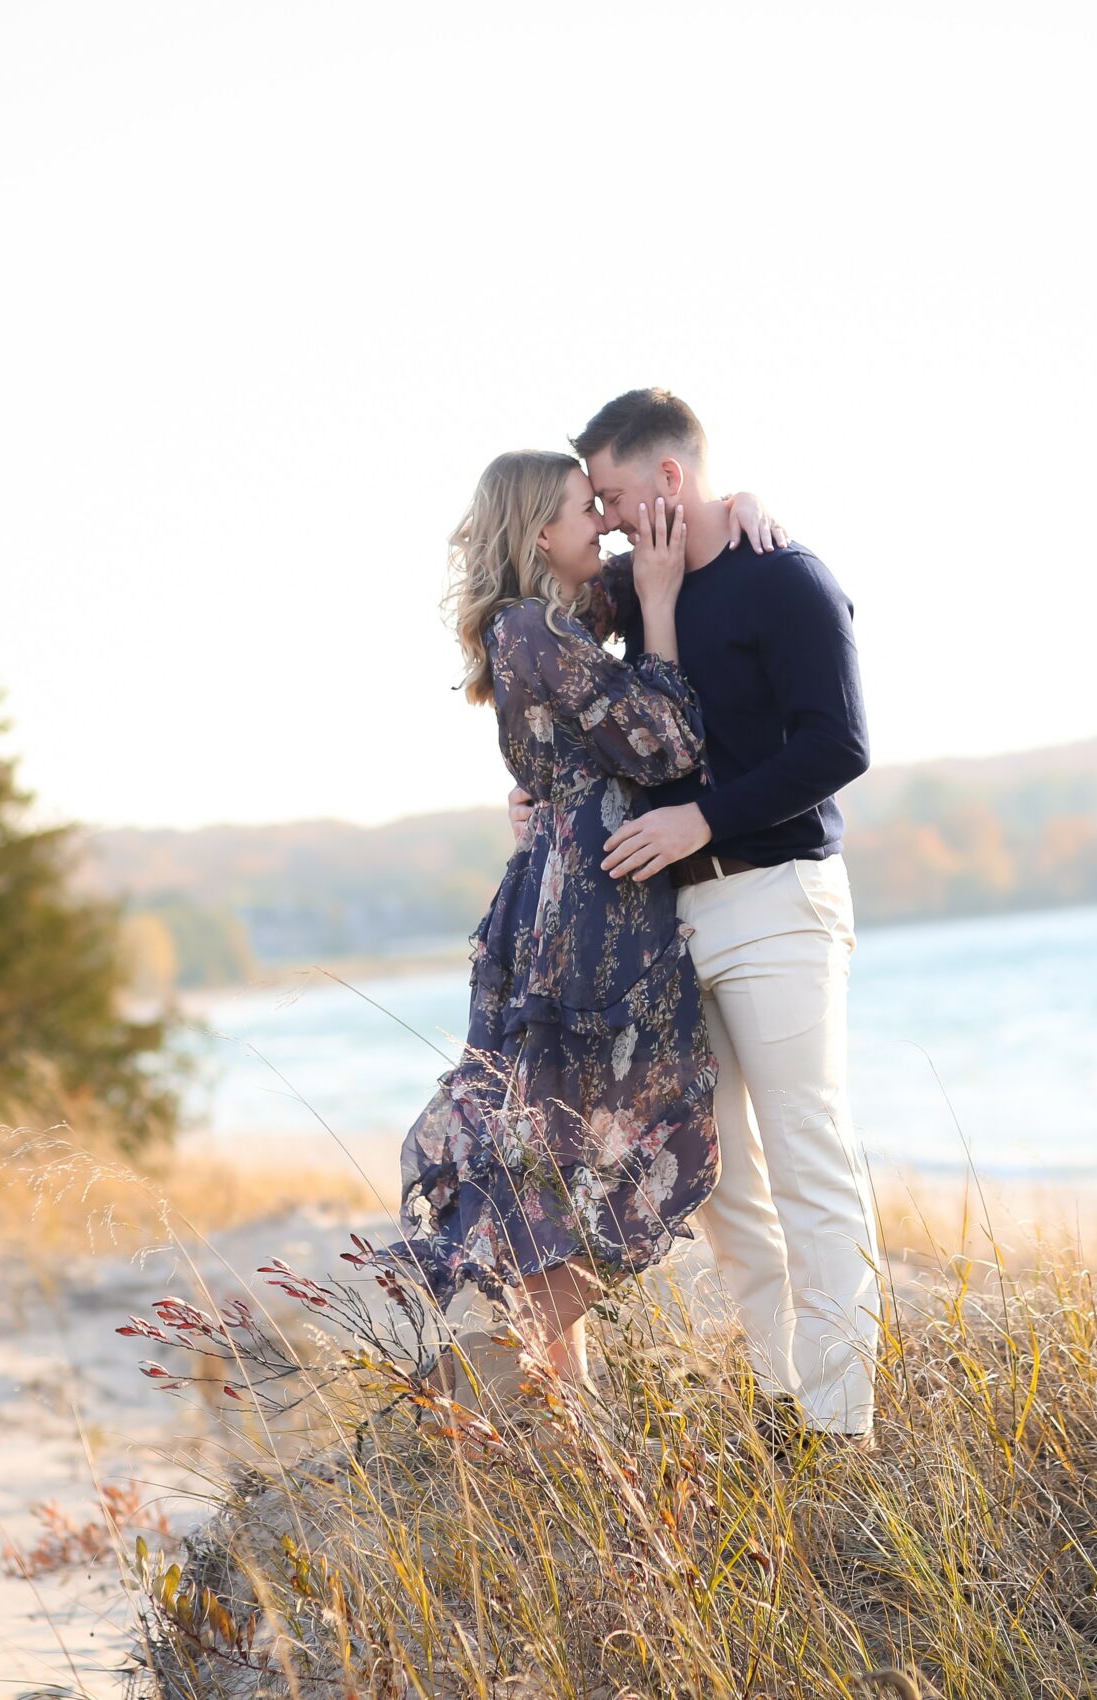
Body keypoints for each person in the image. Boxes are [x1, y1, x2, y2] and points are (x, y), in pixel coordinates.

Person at [513, 388, 882, 1442]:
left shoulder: (790, 579)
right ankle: (782, 1401)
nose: (613, 518)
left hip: (776, 903)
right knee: (718, 1176)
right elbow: (555, 675)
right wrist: (534, 787)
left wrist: (699, 818)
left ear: (670, 478)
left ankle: (843, 1423)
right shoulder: (636, 587)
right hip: (669, 924)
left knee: (810, 1157)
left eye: (619, 494)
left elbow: (838, 745)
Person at [393, 448, 782, 1394]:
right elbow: (668, 742)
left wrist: (738, 503)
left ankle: (559, 1416)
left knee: (555, 1163)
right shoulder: (530, 626)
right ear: (538, 534)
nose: (602, 524)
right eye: (584, 510)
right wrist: (656, 613)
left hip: (563, 895)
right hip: (595, 911)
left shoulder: (551, 618)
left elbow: (660, 548)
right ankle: (509, 1353)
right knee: (656, 1130)